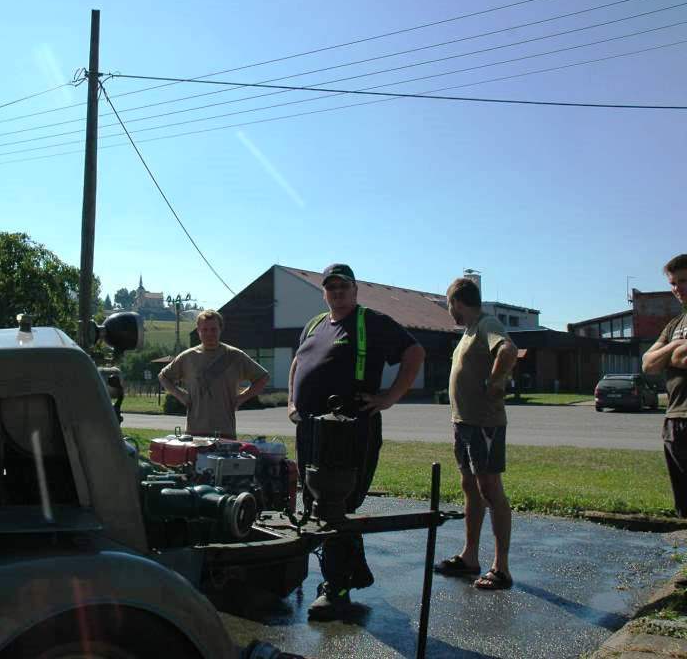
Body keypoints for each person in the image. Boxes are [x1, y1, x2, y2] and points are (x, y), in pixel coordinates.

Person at [287, 263, 425, 620]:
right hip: (311, 429)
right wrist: (291, 401)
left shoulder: (372, 322)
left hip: (348, 431)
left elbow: (414, 353)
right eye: (330, 287)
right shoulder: (315, 324)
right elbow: (297, 362)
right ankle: (354, 572)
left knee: (335, 503)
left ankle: (337, 589)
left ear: (355, 290)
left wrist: (389, 397)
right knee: (316, 502)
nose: (337, 292)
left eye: (343, 286)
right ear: (324, 292)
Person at [435, 277, 518, 591]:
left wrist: (495, 382)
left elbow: (508, 349)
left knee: (490, 490)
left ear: (457, 302)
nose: (450, 313)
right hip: (464, 424)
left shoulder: (487, 323)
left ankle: (501, 568)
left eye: (449, 306)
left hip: (484, 424)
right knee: (469, 486)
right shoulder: (469, 331)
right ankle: (470, 557)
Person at [158, 309, 269, 438]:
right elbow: (163, 376)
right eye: (204, 330)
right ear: (198, 330)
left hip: (225, 432)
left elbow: (263, 377)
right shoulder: (188, 357)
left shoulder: (234, 355)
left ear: (220, 329)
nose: (209, 334)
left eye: (213, 329)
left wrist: (241, 398)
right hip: (194, 432)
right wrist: (181, 396)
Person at [643, 254, 687, 517]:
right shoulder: (674, 325)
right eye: (673, 283)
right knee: (684, 505)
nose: (678, 288)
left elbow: (683, 358)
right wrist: (675, 345)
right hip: (674, 421)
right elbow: (648, 364)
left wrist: (667, 355)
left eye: (684, 281)